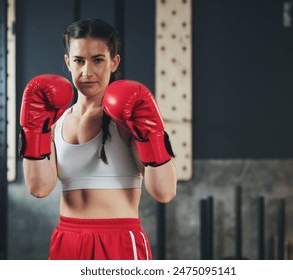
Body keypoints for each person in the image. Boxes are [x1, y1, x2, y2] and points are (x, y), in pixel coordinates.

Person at [19, 18, 177, 260]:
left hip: (119, 241)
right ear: (67, 62)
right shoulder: (54, 121)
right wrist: (34, 131)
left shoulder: (128, 119)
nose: (87, 72)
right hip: (67, 239)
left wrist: (151, 135)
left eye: (97, 60)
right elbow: (39, 188)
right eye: (79, 61)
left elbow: (164, 193)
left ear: (114, 62)